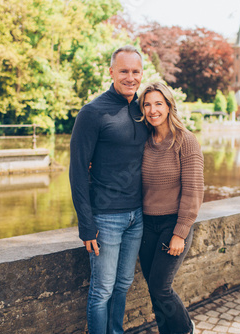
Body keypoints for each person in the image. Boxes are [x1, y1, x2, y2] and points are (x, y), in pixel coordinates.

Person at [69, 45, 148, 334]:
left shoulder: (144, 110)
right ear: (111, 72)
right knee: (102, 289)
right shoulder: (92, 113)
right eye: (124, 71)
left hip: (136, 216)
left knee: (124, 284)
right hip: (105, 218)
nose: (130, 77)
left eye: (135, 71)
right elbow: (77, 170)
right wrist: (86, 225)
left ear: (142, 74)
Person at [138, 82, 204, 334]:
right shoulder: (143, 141)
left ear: (168, 106)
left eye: (158, 104)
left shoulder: (185, 141)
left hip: (172, 225)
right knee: (152, 287)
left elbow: (194, 189)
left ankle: (186, 329)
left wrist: (180, 232)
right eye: (147, 104)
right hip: (146, 226)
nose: (153, 110)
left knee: (160, 288)